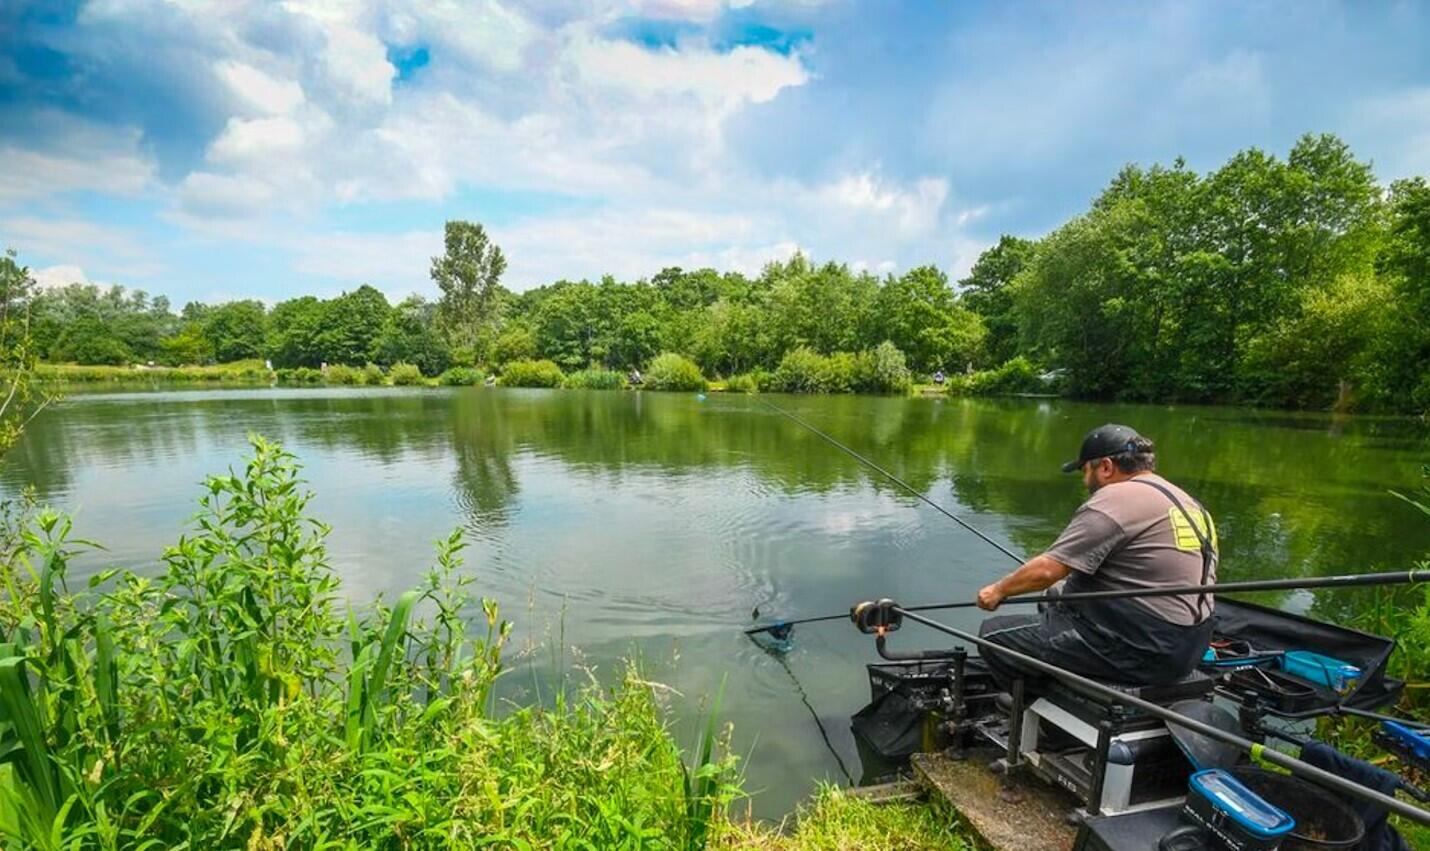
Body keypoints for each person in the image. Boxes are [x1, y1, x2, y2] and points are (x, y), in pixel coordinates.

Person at [975, 424, 1218, 688]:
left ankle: (1036, 703)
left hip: (1143, 650)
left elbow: (1046, 571)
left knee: (993, 636)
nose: (1084, 481)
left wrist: (997, 591)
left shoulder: (1117, 497)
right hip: (1189, 647)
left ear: (1105, 467)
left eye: (1085, 471)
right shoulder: (1187, 501)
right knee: (1055, 595)